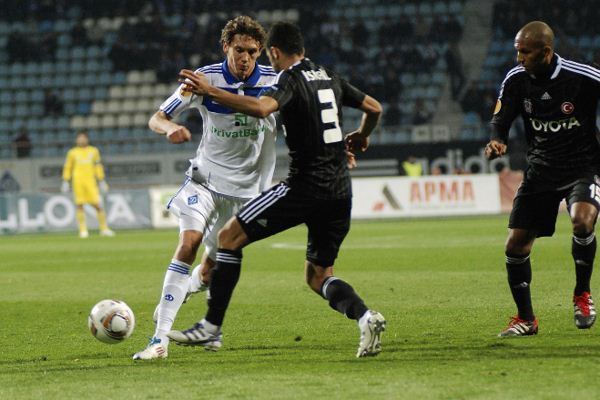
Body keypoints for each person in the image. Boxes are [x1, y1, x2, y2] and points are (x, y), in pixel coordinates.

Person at [168, 22, 386, 358]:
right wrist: (361, 135)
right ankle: (365, 317)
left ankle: (210, 327)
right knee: (319, 276)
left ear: (273, 52)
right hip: (340, 190)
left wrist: (210, 91)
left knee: (228, 238)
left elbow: (261, 108)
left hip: (304, 188)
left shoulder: (288, 79)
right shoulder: (329, 75)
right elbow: (374, 107)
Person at [133, 16, 278, 361]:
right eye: (239, 50)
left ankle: (187, 287)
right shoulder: (204, 79)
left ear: (260, 52)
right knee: (189, 242)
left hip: (247, 192)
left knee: (211, 269)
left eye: (252, 52)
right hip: (206, 181)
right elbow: (157, 117)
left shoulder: (274, 81)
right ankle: (159, 340)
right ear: (226, 47)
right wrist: (169, 128)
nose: (245, 58)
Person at [485, 21, 600, 337]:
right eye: (517, 51)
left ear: (546, 52)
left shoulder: (582, 76)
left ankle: (582, 294)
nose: (519, 58)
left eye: (525, 52)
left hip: (583, 166)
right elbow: (501, 117)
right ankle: (526, 319)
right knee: (515, 247)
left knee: (582, 221)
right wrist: (497, 140)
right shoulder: (516, 79)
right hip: (540, 171)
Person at [61, 131, 114, 238]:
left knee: (97, 205)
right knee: (79, 205)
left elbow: (97, 166)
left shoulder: (93, 151)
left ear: (87, 139)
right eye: (79, 138)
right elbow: (68, 167)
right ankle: (83, 230)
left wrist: (101, 180)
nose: (81, 140)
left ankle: (104, 229)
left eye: (83, 138)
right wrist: (66, 180)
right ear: (76, 140)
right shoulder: (72, 152)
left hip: (90, 182)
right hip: (78, 182)